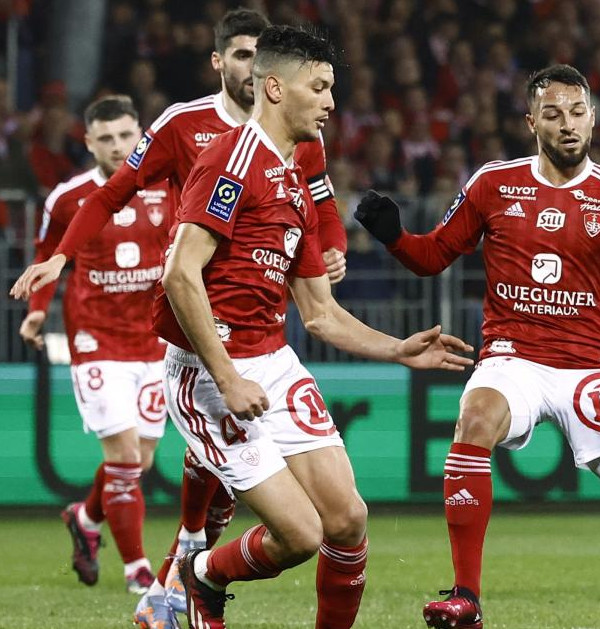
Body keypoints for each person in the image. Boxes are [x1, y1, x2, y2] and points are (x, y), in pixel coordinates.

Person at [356, 64, 600, 629]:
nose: (567, 125)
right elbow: (434, 255)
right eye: (553, 113)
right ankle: (467, 597)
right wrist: (393, 236)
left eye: (577, 113)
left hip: (591, 367)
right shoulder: (492, 184)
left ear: (592, 119)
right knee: (474, 418)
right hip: (512, 357)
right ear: (531, 119)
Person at [8, 10, 348, 628]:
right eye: (240, 55)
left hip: (253, 334)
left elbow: (319, 201)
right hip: (189, 328)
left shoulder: (301, 135)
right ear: (223, 63)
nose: (250, 66)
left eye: (258, 54)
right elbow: (111, 193)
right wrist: (60, 258)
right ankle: (163, 580)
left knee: (212, 479)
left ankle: (167, 586)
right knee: (162, 462)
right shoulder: (184, 125)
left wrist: (334, 250)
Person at [155, 25, 473, 629]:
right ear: (274, 88)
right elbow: (179, 274)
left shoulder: (295, 180)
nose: (331, 102)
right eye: (319, 87)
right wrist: (225, 377)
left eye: (332, 89)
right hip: (206, 372)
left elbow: (320, 314)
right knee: (300, 535)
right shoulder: (231, 160)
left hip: (271, 360)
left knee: (348, 519)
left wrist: (397, 349)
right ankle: (201, 577)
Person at [19, 95, 171, 596]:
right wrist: (38, 308)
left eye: (126, 135)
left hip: (155, 342)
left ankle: (85, 517)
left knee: (141, 461)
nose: (117, 146)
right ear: (88, 142)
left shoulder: (167, 186)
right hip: (95, 341)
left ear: (140, 135)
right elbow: (47, 256)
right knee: (126, 462)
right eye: (105, 138)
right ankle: (137, 571)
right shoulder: (68, 198)